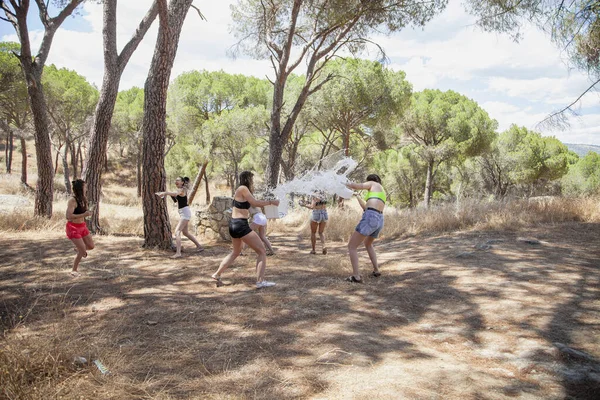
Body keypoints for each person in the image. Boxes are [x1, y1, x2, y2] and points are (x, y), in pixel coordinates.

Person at [211, 171, 280, 288]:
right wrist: (271, 202)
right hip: (240, 225)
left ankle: (217, 274)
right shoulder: (243, 188)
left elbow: (253, 202)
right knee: (262, 251)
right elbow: (255, 203)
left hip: (234, 225)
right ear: (247, 179)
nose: (253, 182)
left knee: (236, 252)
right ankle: (260, 281)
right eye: (252, 179)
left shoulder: (242, 191)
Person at [345, 174, 386, 283]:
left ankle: (356, 276)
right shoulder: (380, 192)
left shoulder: (373, 183)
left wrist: (342, 182)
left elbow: (355, 185)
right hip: (379, 219)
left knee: (352, 246)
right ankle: (376, 270)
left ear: (370, 180)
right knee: (368, 243)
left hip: (371, 217)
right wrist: (357, 196)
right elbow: (366, 208)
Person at [156, 176, 204, 258]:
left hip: (185, 213)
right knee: (185, 233)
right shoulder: (179, 190)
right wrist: (165, 194)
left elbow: (175, 194)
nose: (176, 181)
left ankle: (178, 253)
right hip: (183, 212)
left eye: (178, 180)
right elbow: (175, 198)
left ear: (182, 182)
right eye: (175, 180)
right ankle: (199, 246)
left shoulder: (182, 190)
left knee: (177, 231)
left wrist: (165, 193)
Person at [65, 179, 95, 277]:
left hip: (82, 226)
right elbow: (68, 216)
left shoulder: (84, 199)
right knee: (83, 251)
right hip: (73, 227)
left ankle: (80, 249)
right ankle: (74, 270)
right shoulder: (72, 200)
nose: (86, 188)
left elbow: (83, 213)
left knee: (91, 246)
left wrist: (87, 213)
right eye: (85, 186)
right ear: (80, 188)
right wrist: (83, 214)